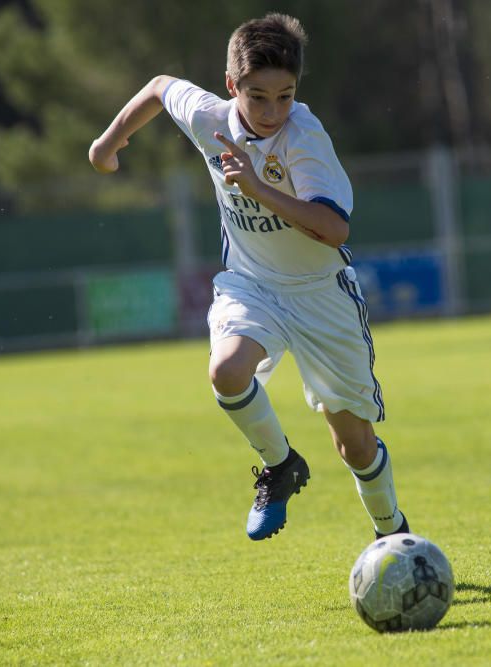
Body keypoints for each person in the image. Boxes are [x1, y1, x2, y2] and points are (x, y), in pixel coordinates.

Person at [89, 14, 409, 542]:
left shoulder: (305, 138)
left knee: (354, 444)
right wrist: (108, 142)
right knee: (227, 371)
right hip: (252, 284)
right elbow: (158, 88)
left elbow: (333, 229)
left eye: (285, 96)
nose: (272, 111)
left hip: (320, 296)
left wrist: (260, 189)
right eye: (258, 96)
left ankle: (392, 532)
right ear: (231, 85)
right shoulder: (209, 118)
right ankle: (280, 467)